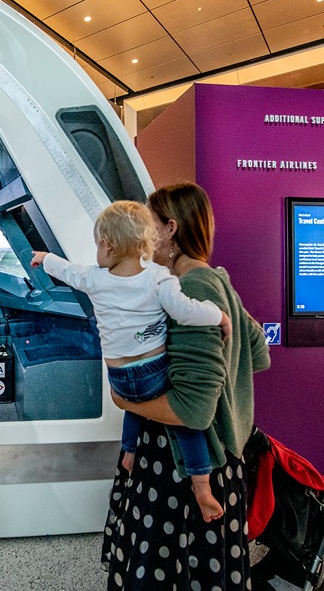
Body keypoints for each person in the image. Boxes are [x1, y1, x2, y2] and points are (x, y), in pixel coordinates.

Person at [101, 182, 271, 590]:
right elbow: (259, 352)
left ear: (170, 229)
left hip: (182, 470)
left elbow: (193, 411)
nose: (140, 233)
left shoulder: (190, 288)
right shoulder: (215, 281)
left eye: (148, 223)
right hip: (219, 461)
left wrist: (125, 399)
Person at [31, 200, 231, 523]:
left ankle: (129, 452)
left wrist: (45, 258)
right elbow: (186, 311)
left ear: (108, 246)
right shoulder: (158, 279)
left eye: (97, 243)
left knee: (133, 404)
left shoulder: (95, 279)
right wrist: (219, 315)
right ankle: (202, 485)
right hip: (153, 371)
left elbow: (68, 272)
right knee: (184, 426)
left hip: (118, 375)